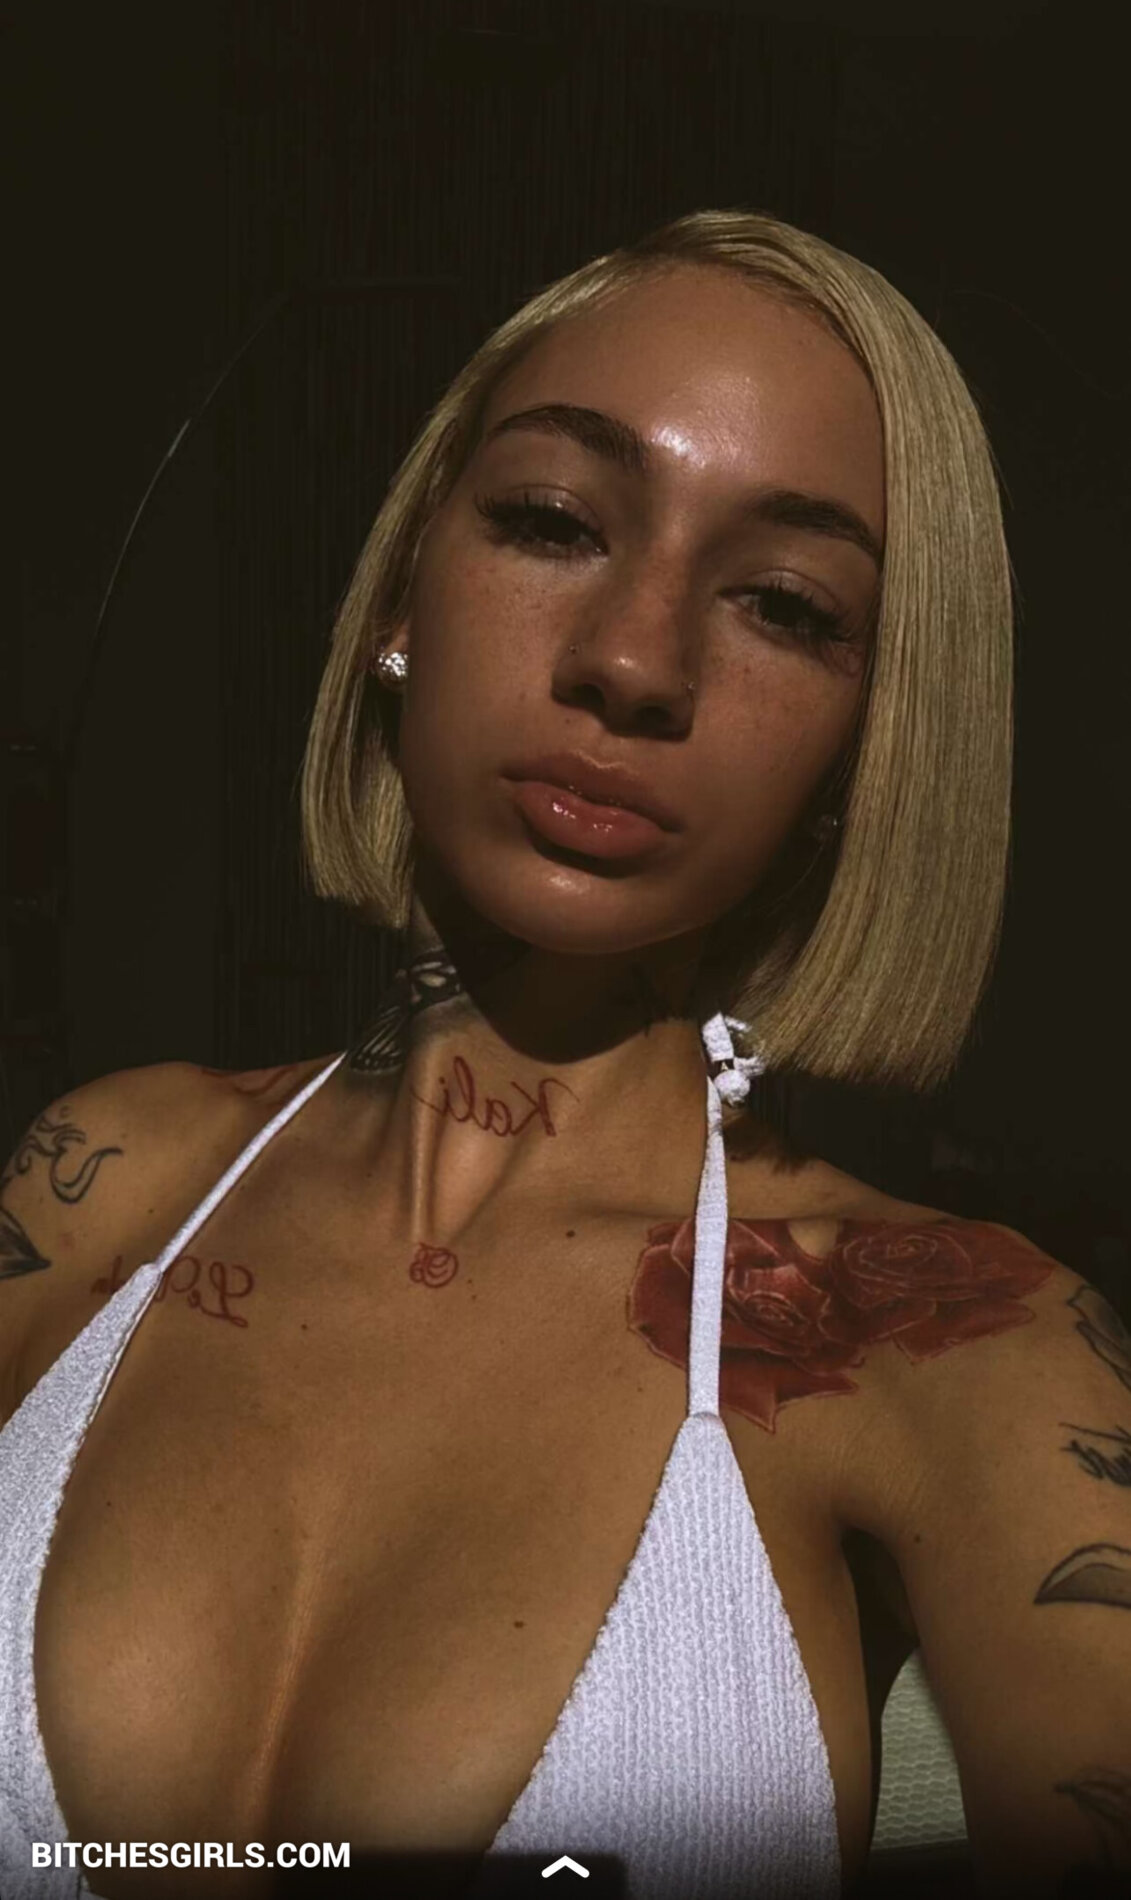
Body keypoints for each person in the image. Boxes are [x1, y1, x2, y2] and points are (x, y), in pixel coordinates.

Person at [1, 209, 1128, 1900]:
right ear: (400, 598)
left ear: (866, 744)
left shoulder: (944, 1336)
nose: (631, 663)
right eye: (550, 521)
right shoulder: (100, 1187)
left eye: (784, 606)